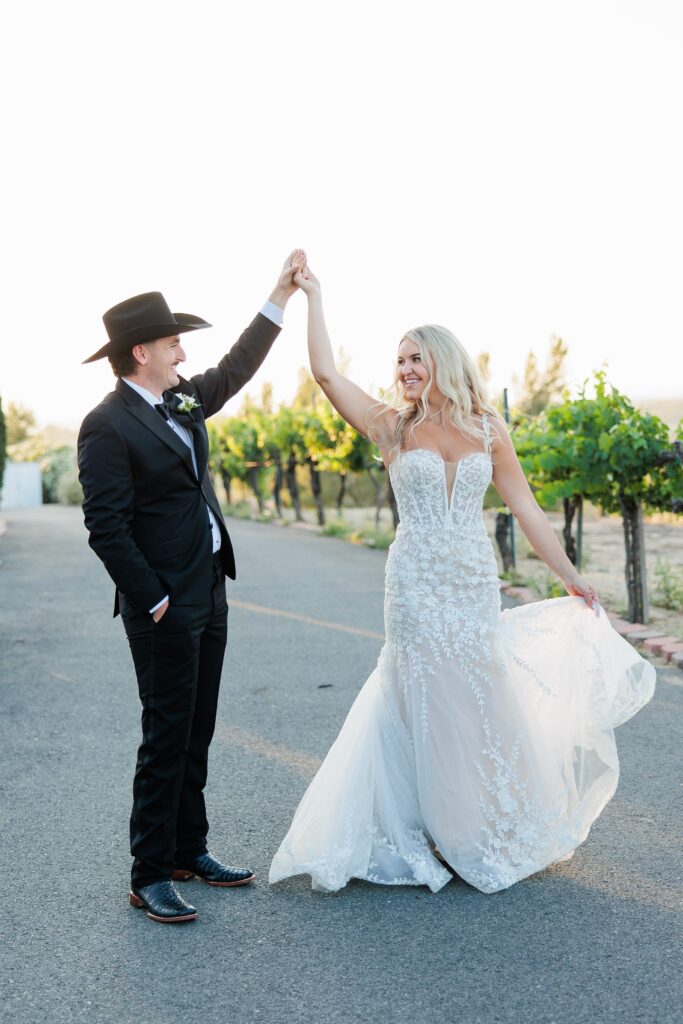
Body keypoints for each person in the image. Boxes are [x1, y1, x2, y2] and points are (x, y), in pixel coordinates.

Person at [269, 262, 656, 894]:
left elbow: (526, 509)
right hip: (417, 581)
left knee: (476, 692)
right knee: (423, 691)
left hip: (472, 579)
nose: (405, 371)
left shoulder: (488, 429)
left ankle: (476, 821)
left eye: (415, 358)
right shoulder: (393, 426)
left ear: (443, 360)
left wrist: (570, 576)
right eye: (399, 362)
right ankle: (430, 828)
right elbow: (327, 374)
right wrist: (313, 297)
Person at [78, 250, 305, 923]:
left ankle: (188, 850)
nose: (183, 350)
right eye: (173, 340)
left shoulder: (180, 397)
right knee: (165, 732)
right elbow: (106, 528)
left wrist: (277, 298)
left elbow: (236, 367)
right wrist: (155, 600)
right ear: (141, 351)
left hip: (210, 587)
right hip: (164, 605)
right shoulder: (106, 424)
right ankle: (148, 873)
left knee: (196, 729)